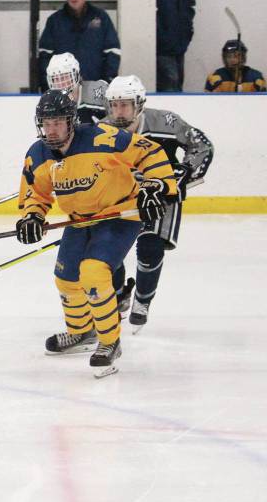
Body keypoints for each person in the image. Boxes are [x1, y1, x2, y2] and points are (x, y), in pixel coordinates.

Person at [15, 90, 177, 378]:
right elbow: (35, 192)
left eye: (58, 123)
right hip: (80, 220)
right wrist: (32, 215)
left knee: (94, 272)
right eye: (46, 124)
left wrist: (155, 186)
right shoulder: (38, 153)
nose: (51, 130)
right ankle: (81, 332)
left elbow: (149, 152)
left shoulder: (103, 137)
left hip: (120, 214)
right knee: (65, 278)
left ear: (71, 122)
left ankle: (109, 341)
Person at [102, 75, 214, 331]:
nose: (118, 111)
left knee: (150, 248)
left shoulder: (166, 122)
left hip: (161, 196)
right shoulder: (102, 130)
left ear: (139, 104)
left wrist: (186, 170)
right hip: (121, 197)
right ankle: (119, 296)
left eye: (125, 104)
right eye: (114, 105)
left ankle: (142, 300)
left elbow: (202, 146)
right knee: (109, 252)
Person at [37, 0, 120, 88]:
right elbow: (45, 54)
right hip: (64, 87)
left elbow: (113, 50)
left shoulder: (101, 17)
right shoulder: (55, 21)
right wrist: (47, 83)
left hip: (95, 86)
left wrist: (107, 80)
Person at [155, 0, 196, 92]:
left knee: (177, 83)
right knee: (170, 83)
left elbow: (190, 7)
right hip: (161, 47)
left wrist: (188, 33)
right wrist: (160, 35)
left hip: (180, 45)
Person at [46, 52, 106, 125]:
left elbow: (117, 117)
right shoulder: (51, 105)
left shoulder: (97, 91)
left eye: (64, 77)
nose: (60, 84)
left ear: (76, 75)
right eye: (56, 79)